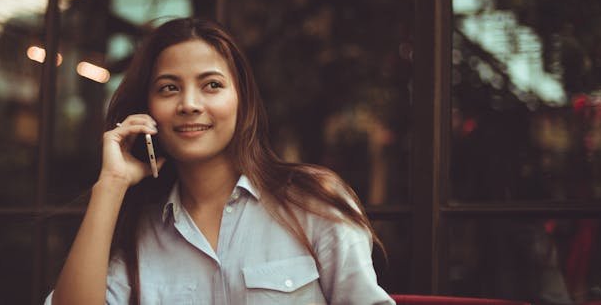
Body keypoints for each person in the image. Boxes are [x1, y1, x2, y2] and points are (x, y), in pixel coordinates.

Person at [46, 17, 394, 305]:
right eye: (169, 88)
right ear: (147, 109)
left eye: (211, 85)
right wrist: (111, 185)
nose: (190, 104)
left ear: (241, 101)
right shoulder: (140, 231)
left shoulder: (311, 200)